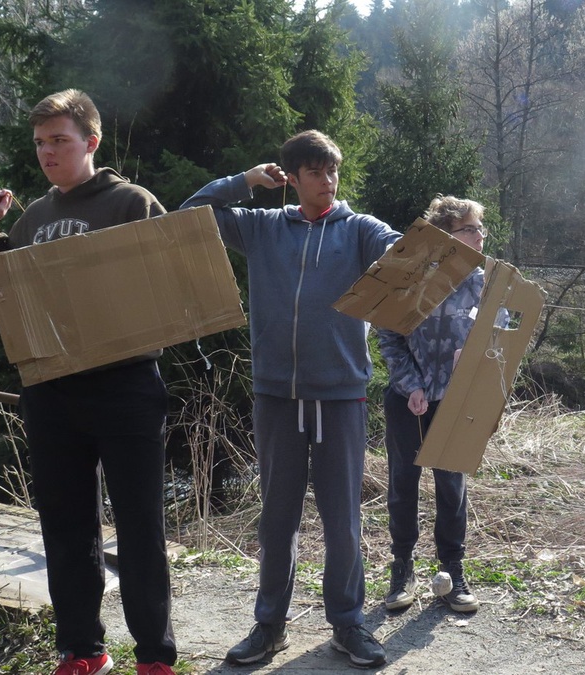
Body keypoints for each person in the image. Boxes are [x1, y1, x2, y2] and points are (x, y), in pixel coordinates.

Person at [0, 89, 177, 675]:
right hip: (53, 390)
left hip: (126, 386)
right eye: (39, 143)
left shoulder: (131, 203)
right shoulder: (34, 216)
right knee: (65, 526)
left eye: (59, 140)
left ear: (90, 142)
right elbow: (13, 300)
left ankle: (156, 658)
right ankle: (83, 650)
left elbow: (166, 284)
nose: (47, 153)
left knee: (141, 527)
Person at [180, 130, 401, 669]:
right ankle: (269, 625)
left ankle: (349, 624)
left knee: (343, 518)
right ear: (293, 177)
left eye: (332, 170)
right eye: (315, 172)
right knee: (277, 518)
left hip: (342, 398)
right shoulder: (261, 228)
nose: (327, 180)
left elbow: (404, 253)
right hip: (276, 395)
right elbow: (190, 216)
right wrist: (243, 182)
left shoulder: (360, 231)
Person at [378, 194, 493, 614]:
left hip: (457, 400)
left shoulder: (485, 282)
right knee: (403, 485)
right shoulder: (412, 279)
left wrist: (478, 351)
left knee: (452, 487)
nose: (480, 236)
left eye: (481, 229)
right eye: (470, 228)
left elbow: (501, 334)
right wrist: (411, 385)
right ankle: (401, 570)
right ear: (446, 236)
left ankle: (453, 573)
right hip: (408, 400)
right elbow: (388, 336)